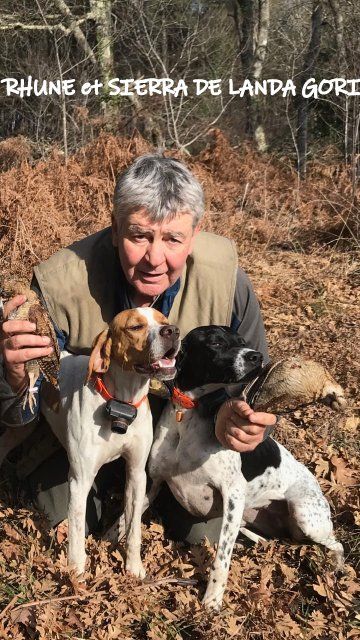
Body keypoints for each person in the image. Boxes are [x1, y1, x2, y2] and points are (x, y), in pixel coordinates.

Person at [0, 154, 276, 543]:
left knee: (200, 534)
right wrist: (12, 379)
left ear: (195, 235)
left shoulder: (226, 282)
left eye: (173, 239)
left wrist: (245, 422)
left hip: (185, 431)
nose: (154, 258)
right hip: (83, 429)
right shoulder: (59, 286)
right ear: (114, 230)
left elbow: (255, 386)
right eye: (139, 235)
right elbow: (23, 407)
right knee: (60, 518)